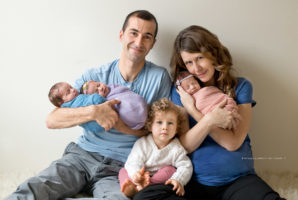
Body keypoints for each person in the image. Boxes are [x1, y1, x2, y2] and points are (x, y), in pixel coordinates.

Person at [6, 10, 173, 200]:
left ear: (153, 43)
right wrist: (95, 111)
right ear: (121, 35)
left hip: (122, 166)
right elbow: (52, 120)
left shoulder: (159, 78)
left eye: (147, 36)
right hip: (81, 156)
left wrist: (122, 127)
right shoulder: (94, 77)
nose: (139, 41)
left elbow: (159, 131)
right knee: (34, 189)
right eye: (133, 33)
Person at [133, 26, 285, 200]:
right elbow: (184, 145)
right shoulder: (182, 93)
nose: (196, 68)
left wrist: (197, 114)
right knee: (145, 197)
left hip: (238, 180)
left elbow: (233, 143)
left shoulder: (241, 87)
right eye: (189, 62)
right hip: (192, 182)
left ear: (213, 54)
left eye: (200, 58)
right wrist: (205, 116)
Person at [118, 98, 192, 198]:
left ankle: (145, 188)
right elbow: (133, 162)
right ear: (150, 126)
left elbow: (186, 166)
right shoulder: (143, 143)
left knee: (170, 170)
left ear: (176, 129)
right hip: (141, 176)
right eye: (159, 122)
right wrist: (137, 175)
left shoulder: (176, 148)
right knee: (123, 171)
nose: (165, 127)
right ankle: (134, 188)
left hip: (158, 181)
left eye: (170, 123)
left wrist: (178, 179)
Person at [48, 81, 148, 131]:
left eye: (71, 87)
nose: (73, 90)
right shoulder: (75, 103)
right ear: (62, 103)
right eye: (68, 92)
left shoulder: (81, 91)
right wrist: (100, 104)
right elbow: (96, 100)